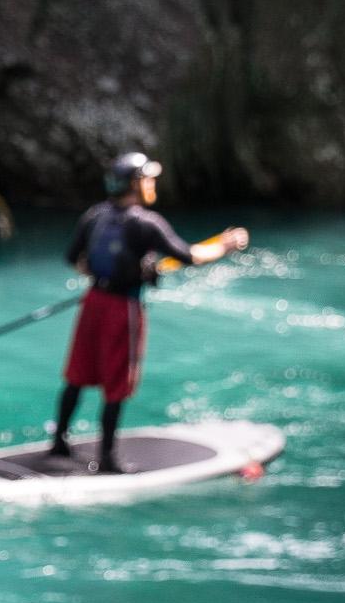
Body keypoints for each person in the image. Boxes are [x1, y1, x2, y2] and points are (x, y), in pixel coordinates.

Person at [49, 153, 249, 471]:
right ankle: (108, 458)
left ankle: (59, 442)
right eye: (149, 179)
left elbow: (75, 259)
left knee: (78, 372)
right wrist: (226, 246)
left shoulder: (94, 215)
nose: (153, 184)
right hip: (122, 308)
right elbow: (191, 256)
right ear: (136, 183)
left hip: (93, 302)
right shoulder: (146, 222)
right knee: (118, 380)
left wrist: (109, 274)